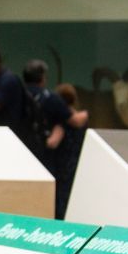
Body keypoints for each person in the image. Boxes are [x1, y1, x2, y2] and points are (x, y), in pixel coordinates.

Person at [22, 60, 89, 184]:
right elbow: (75, 121)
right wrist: (86, 114)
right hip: (45, 156)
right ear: (42, 78)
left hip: (21, 151)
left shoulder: (18, 95)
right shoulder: (49, 98)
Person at [53, 83, 88, 218]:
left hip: (62, 167)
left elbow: (53, 142)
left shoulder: (62, 121)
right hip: (78, 165)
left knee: (61, 204)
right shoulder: (84, 119)